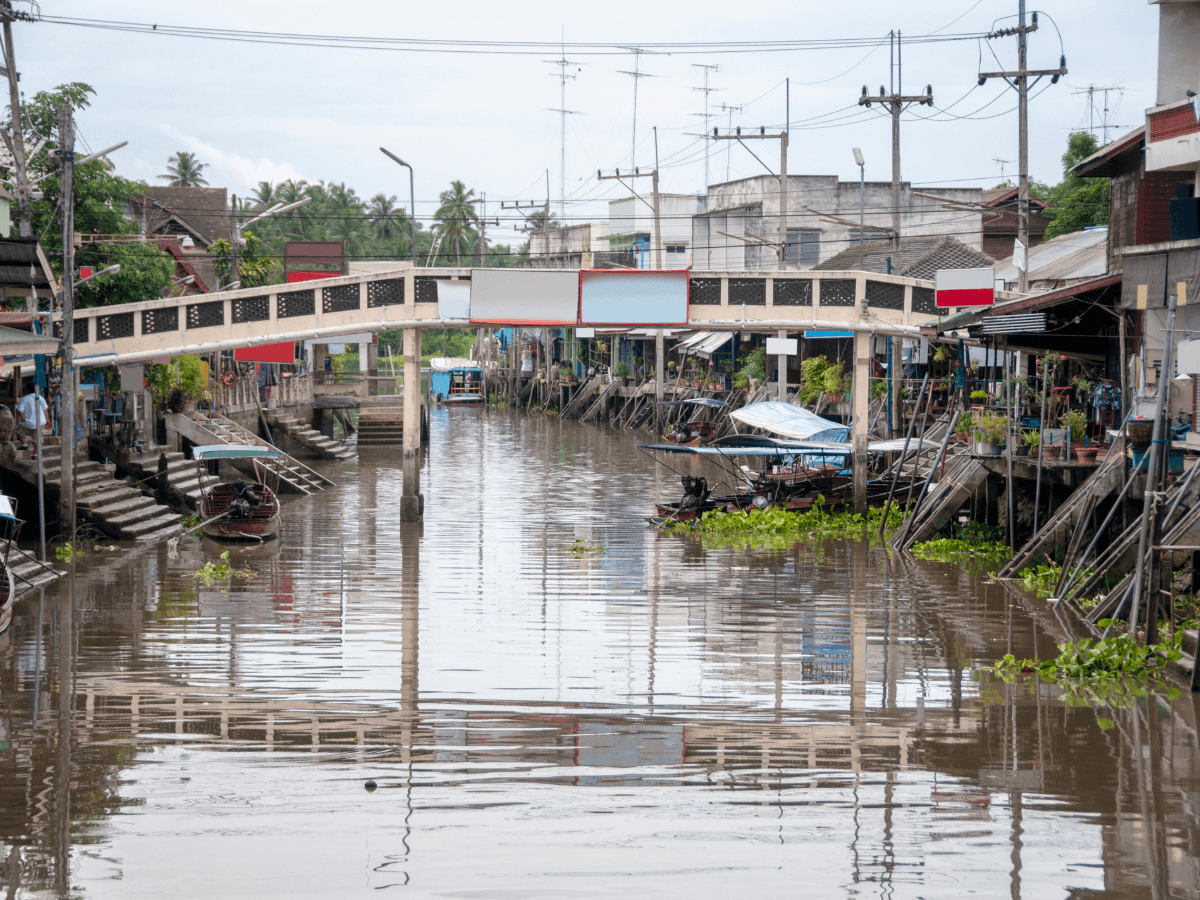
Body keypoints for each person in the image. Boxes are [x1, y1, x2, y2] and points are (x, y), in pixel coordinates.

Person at [16, 386, 47, 458]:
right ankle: (35, 454)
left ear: (27, 390)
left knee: (17, 430)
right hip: (41, 421)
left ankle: (24, 444)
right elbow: (45, 410)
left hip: (29, 422)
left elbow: (20, 411)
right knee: (37, 438)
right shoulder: (41, 398)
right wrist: (46, 420)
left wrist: (23, 419)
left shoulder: (24, 398)